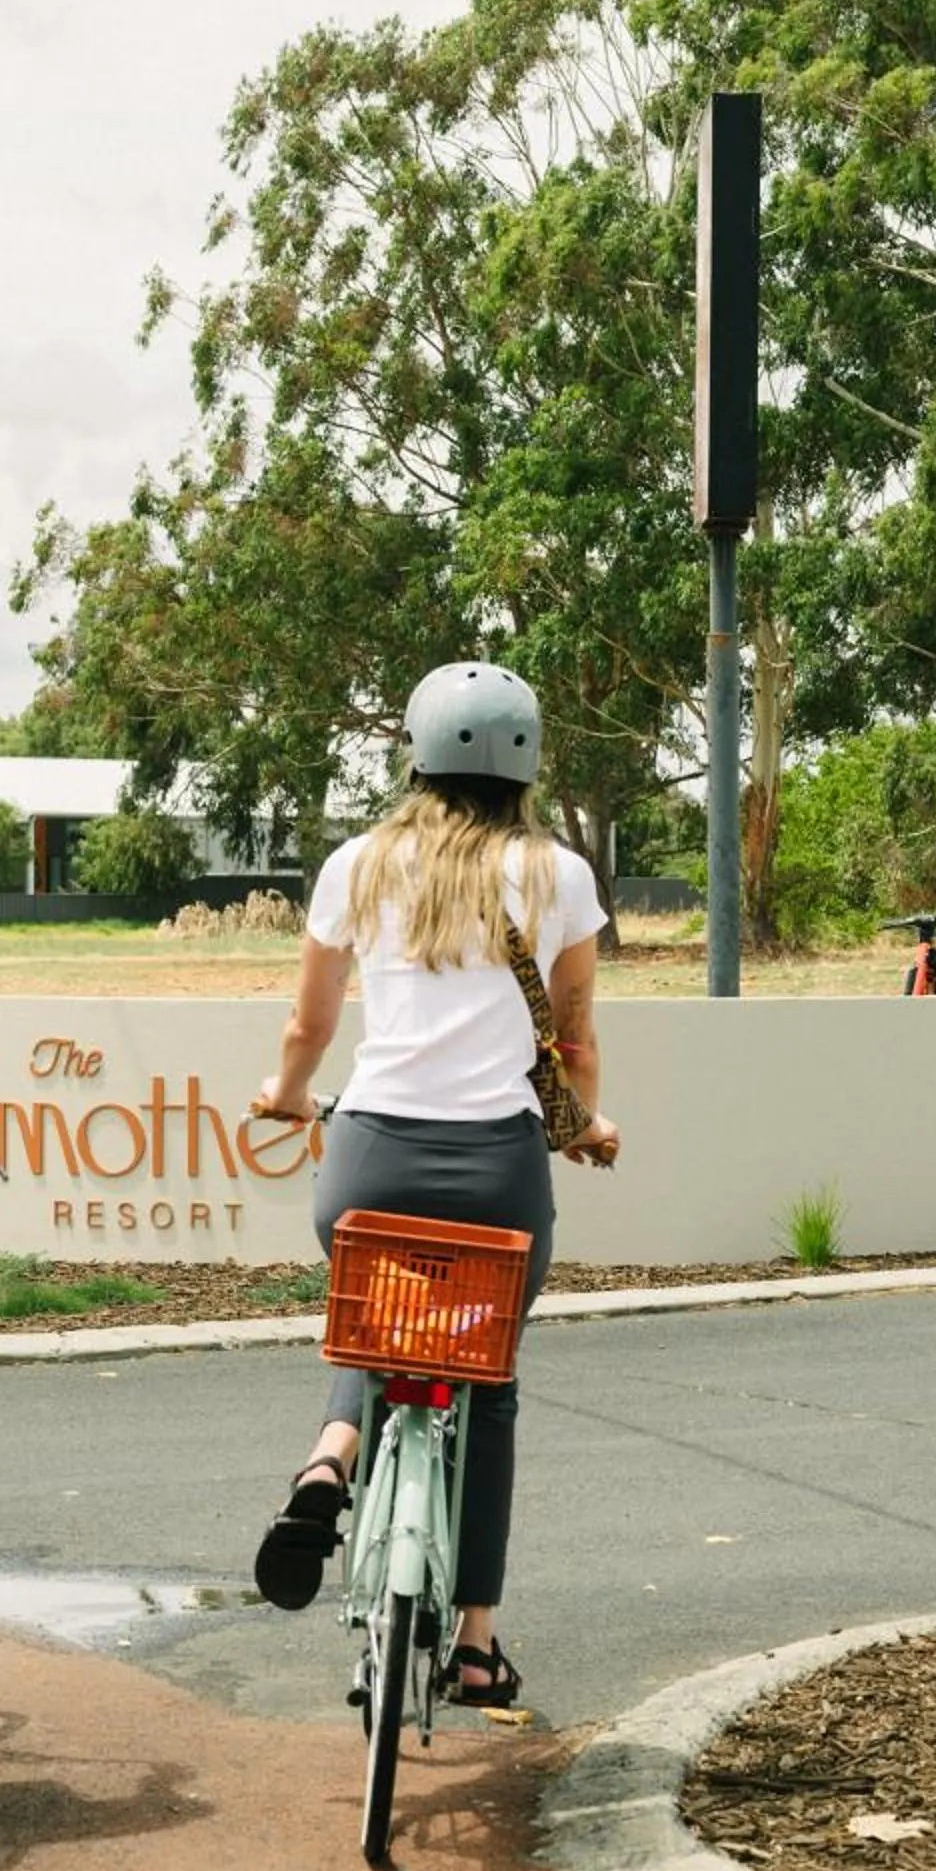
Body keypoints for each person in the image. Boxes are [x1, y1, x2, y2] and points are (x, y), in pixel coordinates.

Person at [248, 660, 620, 1708]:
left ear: (414, 752)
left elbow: (307, 1026)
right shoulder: (560, 877)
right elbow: (575, 1040)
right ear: (528, 762)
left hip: (368, 1158)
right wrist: (585, 1128)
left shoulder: (358, 866)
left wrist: (284, 1094)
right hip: (497, 1171)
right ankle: (473, 1645)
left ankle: (329, 1458)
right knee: (486, 1384)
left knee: (375, 1320)